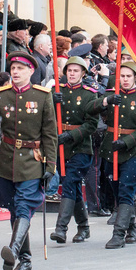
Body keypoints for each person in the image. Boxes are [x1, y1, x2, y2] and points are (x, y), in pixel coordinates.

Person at [0, 52, 58, 270]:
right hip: (6, 159)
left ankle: (14, 251)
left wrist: (51, 166)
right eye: (13, 68)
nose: (15, 72)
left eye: (20, 68)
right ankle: (24, 259)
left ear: (31, 72)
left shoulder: (43, 96)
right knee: (13, 207)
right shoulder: (1, 95)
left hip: (32, 160)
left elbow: (50, 135)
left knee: (24, 205)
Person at [97, 61, 136, 249]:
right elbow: (90, 108)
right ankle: (132, 224)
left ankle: (118, 234)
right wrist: (106, 101)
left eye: (128, 76)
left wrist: (126, 142)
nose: (125, 79)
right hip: (111, 150)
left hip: (133, 151)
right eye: (121, 76)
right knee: (116, 189)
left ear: (135, 78)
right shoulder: (111, 95)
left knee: (126, 190)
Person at [50, 57, 98, 245]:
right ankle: (84, 227)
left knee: (70, 182)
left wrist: (71, 136)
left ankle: (61, 229)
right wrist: (51, 102)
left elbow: (92, 125)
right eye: (69, 70)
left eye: (76, 71)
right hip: (61, 146)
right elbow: (47, 116)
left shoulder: (89, 95)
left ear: (83, 74)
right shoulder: (57, 92)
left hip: (80, 146)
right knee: (73, 186)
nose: (72, 74)